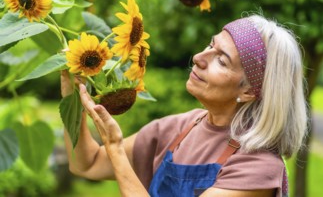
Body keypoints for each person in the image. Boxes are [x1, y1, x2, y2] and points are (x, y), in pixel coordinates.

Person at [61, 14, 307, 197]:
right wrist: (70, 90)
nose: (199, 58)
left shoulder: (256, 167)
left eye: (221, 61)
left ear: (249, 90)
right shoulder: (178, 128)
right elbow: (87, 163)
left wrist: (115, 148)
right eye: (211, 45)